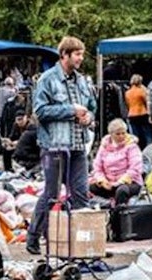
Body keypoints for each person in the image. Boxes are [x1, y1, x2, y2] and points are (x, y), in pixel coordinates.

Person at [27, 36, 96, 255]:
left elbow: (92, 106)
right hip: (54, 146)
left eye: (82, 54)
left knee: (81, 194)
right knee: (52, 193)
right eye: (77, 54)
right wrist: (70, 111)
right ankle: (34, 237)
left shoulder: (83, 81)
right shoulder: (47, 79)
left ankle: (80, 246)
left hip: (78, 146)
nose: (80, 58)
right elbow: (40, 112)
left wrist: (89, 117)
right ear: (64, 55)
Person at [89, 118, 143, 206]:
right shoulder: (104, 146)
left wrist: (119, 182)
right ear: (111, 134)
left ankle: (118, 215)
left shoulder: (132, 146)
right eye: (118, 134)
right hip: (108, 182)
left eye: (123, 133)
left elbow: (135, 168)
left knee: (121, 191)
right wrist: (102, 180)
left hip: (130, 182)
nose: (121, 136)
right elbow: (97, 167)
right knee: (89, 188)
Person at [125, 74, 152, 149]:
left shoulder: (127, 93)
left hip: (132, 114)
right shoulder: (141, 91)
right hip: (142, 113)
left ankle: (136, 149)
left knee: (135, 134)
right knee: (147, 133)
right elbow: (146, 101)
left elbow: (128, 104)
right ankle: (149, 148)